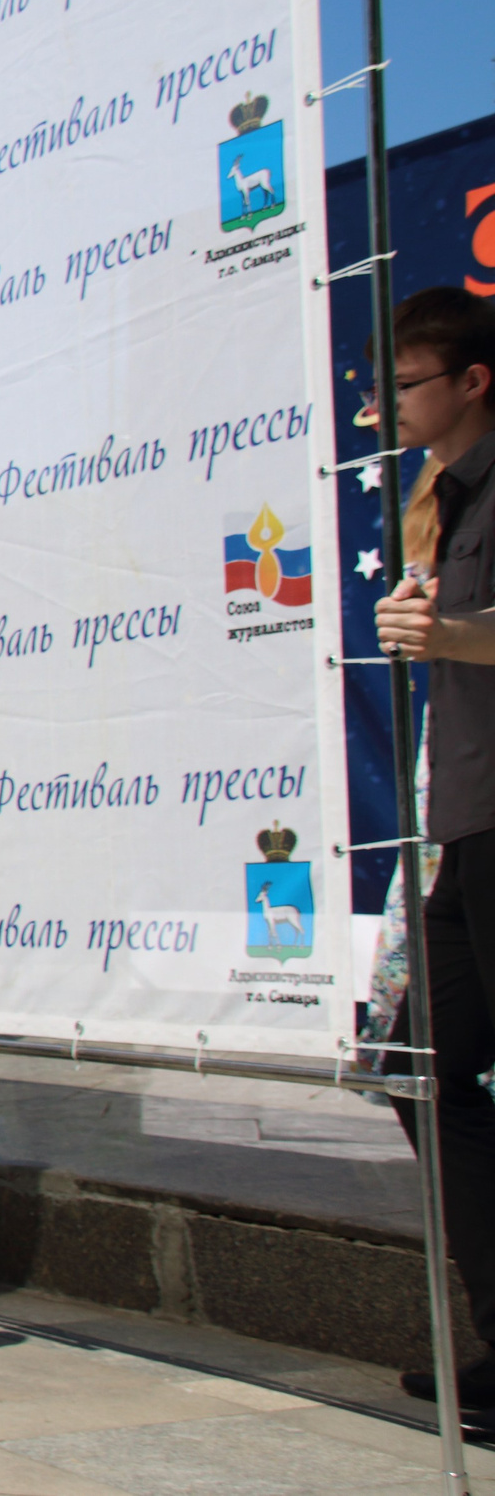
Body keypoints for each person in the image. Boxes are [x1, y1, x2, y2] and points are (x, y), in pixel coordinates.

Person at [371, 286, 495, 1413]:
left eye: (403, 382)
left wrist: (450, 630)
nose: (384, 403)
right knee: (419, 1072)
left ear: (469, 381)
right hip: (465, 822)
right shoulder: (436, 503)